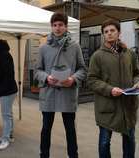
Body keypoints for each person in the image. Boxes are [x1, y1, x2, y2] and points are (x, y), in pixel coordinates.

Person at [87, 19, 139, 158]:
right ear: (103, 35)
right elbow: (92, 80)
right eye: (106, 32)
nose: (109, 34)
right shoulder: (97, 56)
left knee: (130, 140)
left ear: (119, 32)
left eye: (112, 30)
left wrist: (137, 82)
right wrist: (110, 89)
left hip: (128, 106)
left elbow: (138, 73)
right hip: (107, 107)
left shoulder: (129, 53)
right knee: (105, 142)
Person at [34, 12, 87, 158]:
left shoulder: (75, 46)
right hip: (49, 93)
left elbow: (82, 68)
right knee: (46, 129)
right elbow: (37, 70)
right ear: (51, 27)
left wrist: (73, 79)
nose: (57, 28)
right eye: (55, 25)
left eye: (60, 25)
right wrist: (46, 77)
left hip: (67, 92)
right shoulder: (43, 48)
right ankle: (44, 155)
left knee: (70, 129)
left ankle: (73, 155)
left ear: (66, 26)